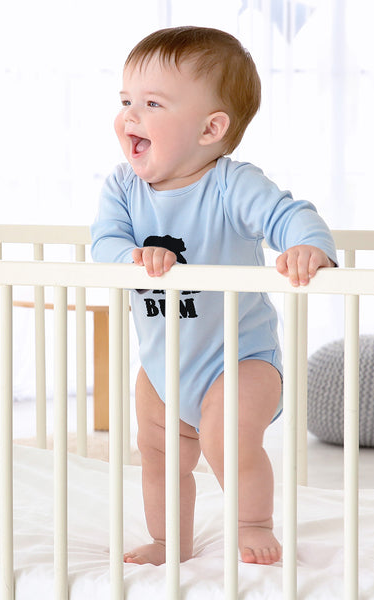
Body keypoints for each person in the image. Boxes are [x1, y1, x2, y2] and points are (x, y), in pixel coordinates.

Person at [91, 26, 337, 567]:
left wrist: (306, 247)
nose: (130, 115)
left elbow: (290, 214)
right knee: (157, 454)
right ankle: (166, 539)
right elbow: (104, 244)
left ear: (211, 128)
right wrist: (131, 258)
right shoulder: (123, 189)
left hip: (240, 360)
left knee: (225, 436)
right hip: (162, 366)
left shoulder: (232, 184)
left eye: (151, 103)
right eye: (126, 101)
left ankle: (251, 521)